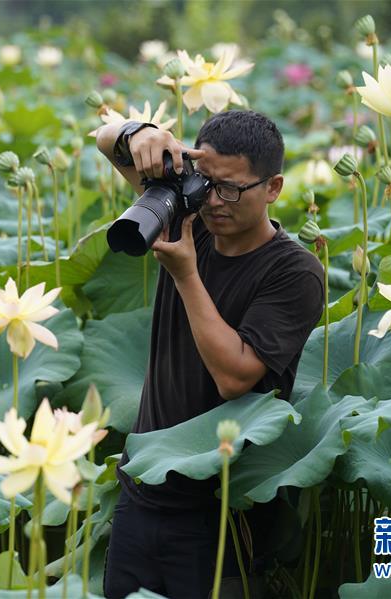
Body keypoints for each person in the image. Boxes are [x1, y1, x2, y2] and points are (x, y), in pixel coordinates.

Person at [95, 110, 325, 598]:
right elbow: (103, 137)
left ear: (274, 187)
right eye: (205, 182)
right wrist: (144, 135)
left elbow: (235, 376)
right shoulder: (188, 211)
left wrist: (186, 274)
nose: (214, 202)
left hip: (222, 510)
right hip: (143, 490)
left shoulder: (295, 272)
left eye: (232, 189)